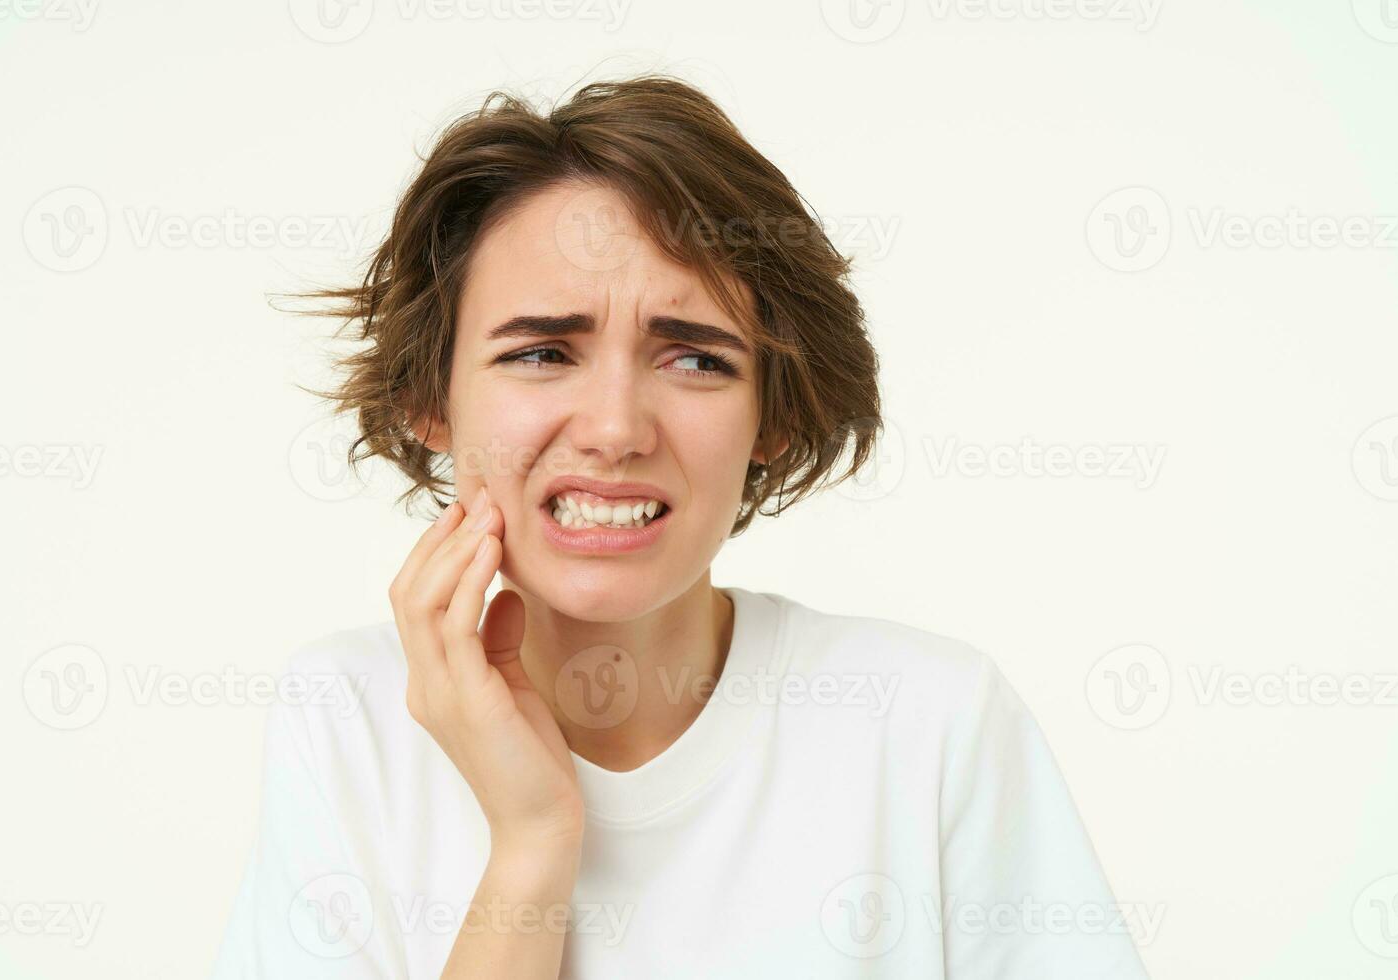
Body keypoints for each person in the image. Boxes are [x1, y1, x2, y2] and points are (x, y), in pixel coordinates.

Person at [211, 74, 1150, 979]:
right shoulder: (349, 719)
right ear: (430, 399)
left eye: (695, 361)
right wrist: (533, 843)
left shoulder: (930, 723)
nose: (616, 429)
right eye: (542, 352)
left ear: (774, 418)